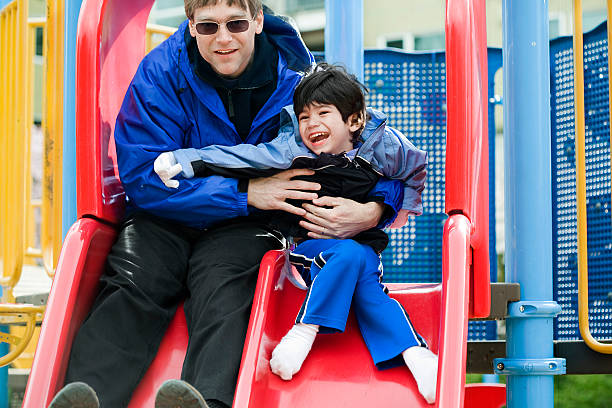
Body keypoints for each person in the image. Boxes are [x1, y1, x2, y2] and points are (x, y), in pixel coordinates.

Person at [48, 2, 404, 408]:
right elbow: (142, 175)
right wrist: (245, 193)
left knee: (226, 283)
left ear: (256, 20)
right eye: (208, 26)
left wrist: (376, 210)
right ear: (191, 24)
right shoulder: (161, 73)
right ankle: (87, 399)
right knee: (135, 278)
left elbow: (377, 150)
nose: (222, 39)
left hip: (247, 223)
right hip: (167, 212)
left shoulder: (298, 80)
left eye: (235, 23)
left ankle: (201, 402)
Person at [154, 63, 438, 404]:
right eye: (304, 116)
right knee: (351, 258)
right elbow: (244, 158)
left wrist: (393, 210)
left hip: (362, 249)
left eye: (323, 113)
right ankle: (310, 332)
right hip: (310, 250)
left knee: (366, 278)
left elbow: (415, 169)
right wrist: (187, 160)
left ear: (354, 121)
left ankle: (414, 355)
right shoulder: (293, 150)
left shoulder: (384, 147)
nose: (311, 124)